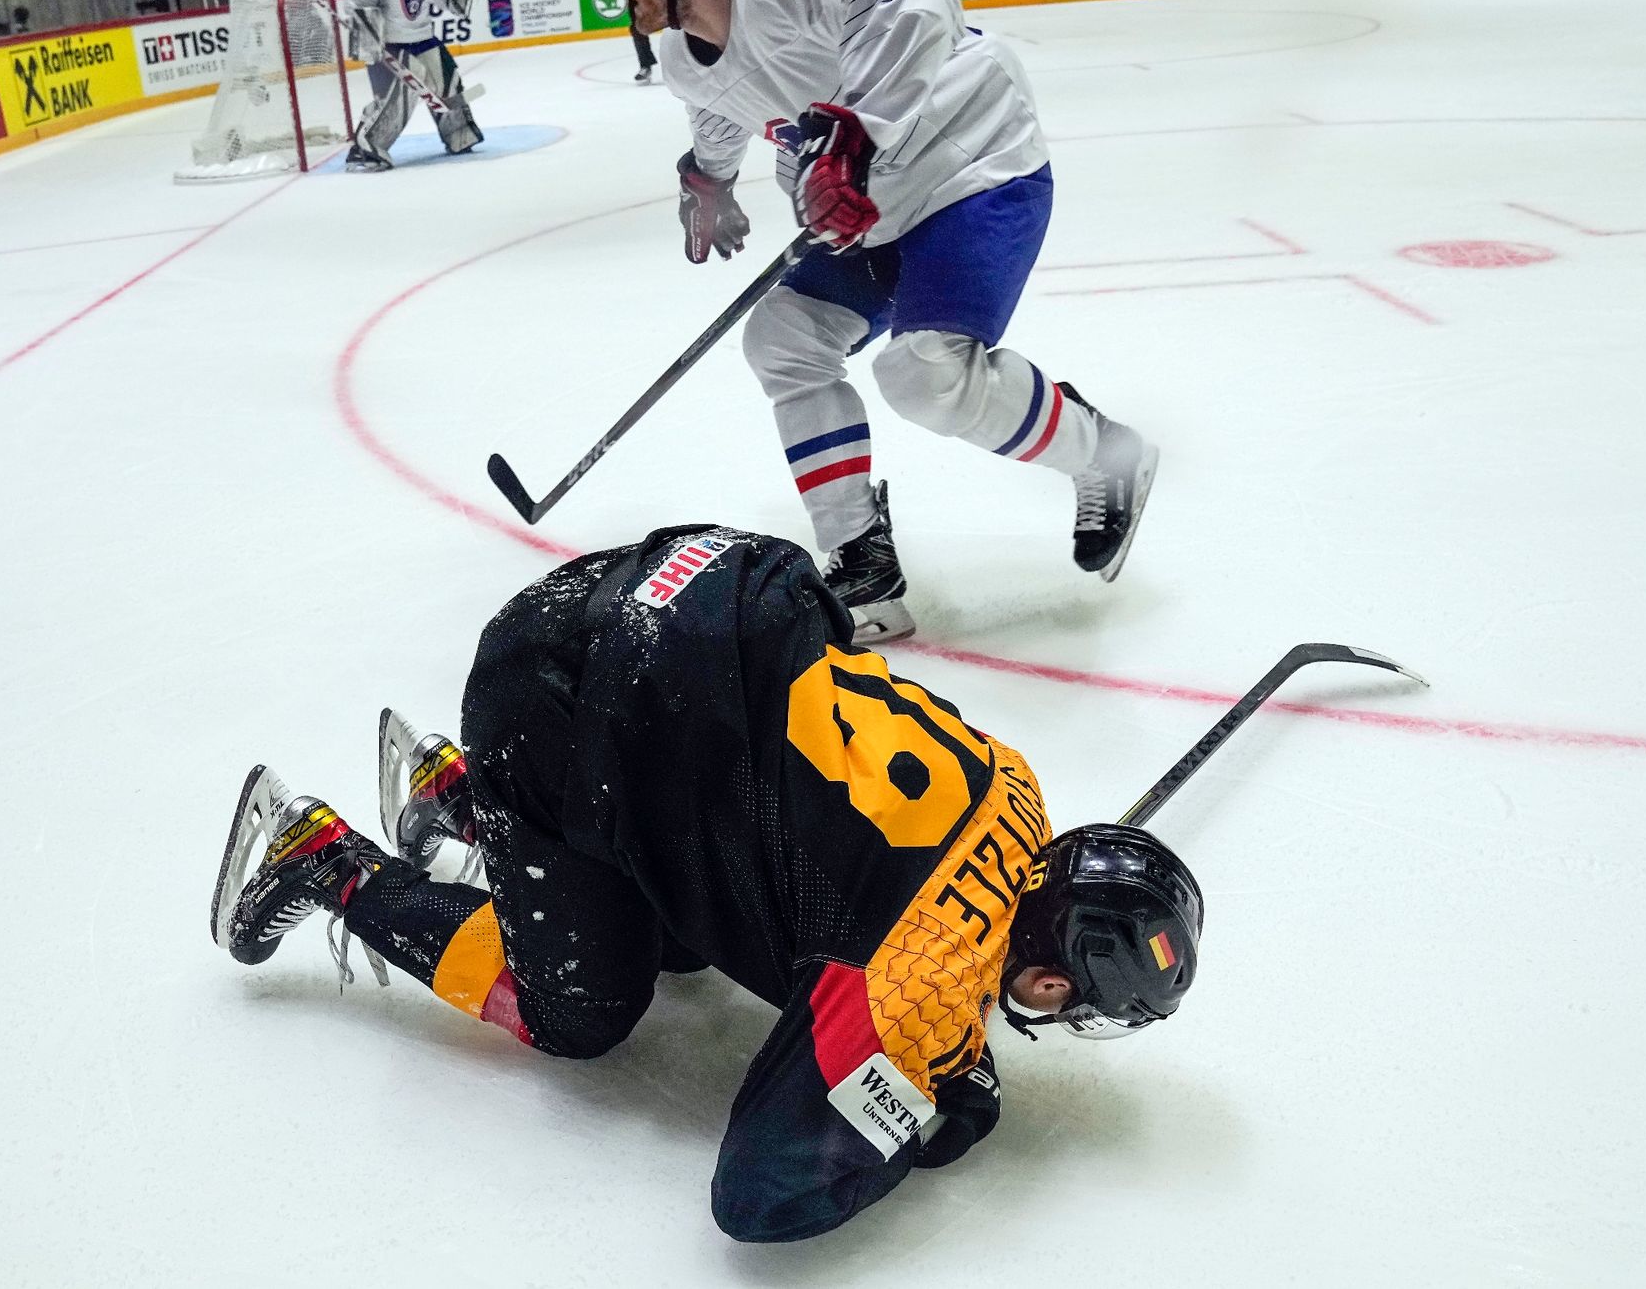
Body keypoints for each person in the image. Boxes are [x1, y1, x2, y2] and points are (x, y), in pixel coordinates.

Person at [210, 523, 1206, 1242]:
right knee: (583, 1013)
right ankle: (329, 864)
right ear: (1043, 983)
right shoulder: (913, 992)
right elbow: (760, 1195)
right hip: (567, 690)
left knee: (691, 935)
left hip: (691, 585)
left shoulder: (1019, 787)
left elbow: (864, 868)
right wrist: (922, 1108)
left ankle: (463, 798)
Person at [603, 0, 1159, 643]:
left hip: (971, 160)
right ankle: (863, 562)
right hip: (869, 205)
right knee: (782, 340)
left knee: (924, 373)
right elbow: (722, 107)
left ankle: (1107, 452)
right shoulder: (681, 57)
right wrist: (708, 179)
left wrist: (855, 131)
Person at [339, 0, 484, 171]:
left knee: (447, 83)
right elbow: (355, 6)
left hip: (423, 37)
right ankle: (365, 150)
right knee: (399, 96)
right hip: (391, 46)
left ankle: (459, 135)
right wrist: (369, 40)